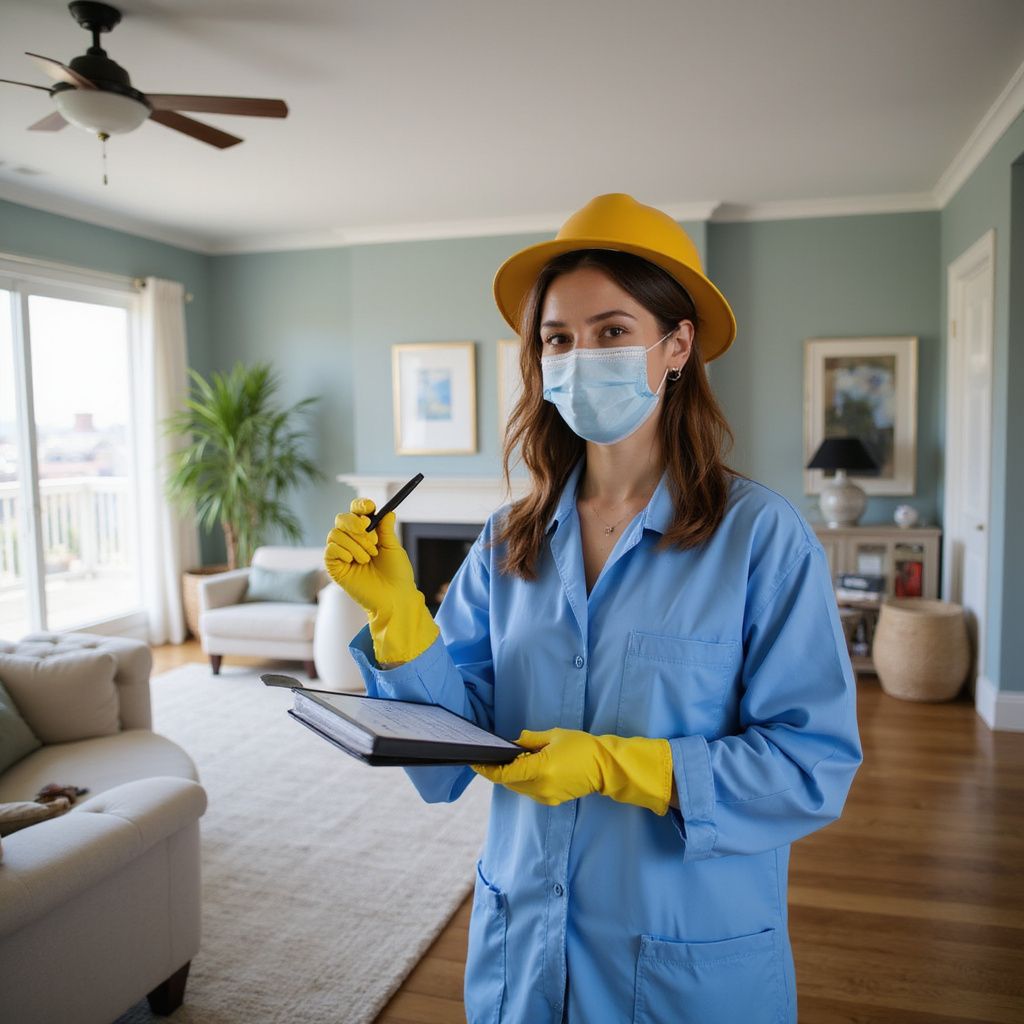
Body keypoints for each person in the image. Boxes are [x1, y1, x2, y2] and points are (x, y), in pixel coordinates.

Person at [324, 193, 862, 1024]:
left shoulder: (762, 538)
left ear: (675, 345)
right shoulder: (509, 540)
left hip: (687, 965)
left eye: (612, 331)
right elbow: (448, 753)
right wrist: (401, 616)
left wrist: (619, 766)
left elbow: (811, 767)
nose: (580, 357)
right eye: (558, 339)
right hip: (523, 955)